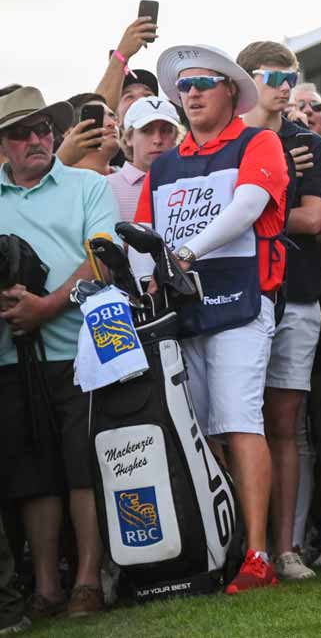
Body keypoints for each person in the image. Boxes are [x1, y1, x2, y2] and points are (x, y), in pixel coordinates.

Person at [135, 44, 289, 593]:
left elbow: (247, 207)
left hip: (240, 303)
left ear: (230, 91)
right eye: (185, 86)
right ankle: (217, 546)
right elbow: (142, 237)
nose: (192, 93)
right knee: (196, 430)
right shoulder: (164, 165)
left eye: (203, 83)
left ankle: (258, 554)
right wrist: (147, 280)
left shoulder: (258, 141)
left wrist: (182, 255)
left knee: (240, 421)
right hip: (182, 312)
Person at [0, 87, 116, 619]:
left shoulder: (88, 185)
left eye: (43, 128)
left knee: (82, 467)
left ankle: (87, 582)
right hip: (10, 356)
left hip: (82, 352)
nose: (36, 139)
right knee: (34, 475)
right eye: (20, 132)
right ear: (3, 144)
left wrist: (45, 307)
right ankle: (46, 588)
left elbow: (102, 259)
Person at [235, 40, 321, 581]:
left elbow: (315, 219)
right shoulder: (230, 140)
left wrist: (260, 200)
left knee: (285, 424)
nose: (284, 86)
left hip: (295, 295)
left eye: (290, 76)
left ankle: (286, 547)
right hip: (237, 297)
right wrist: (275, 191)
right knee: (233, 422)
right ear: (246, 78)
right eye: (272, 76)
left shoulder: (307, 143)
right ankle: (239, 547)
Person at [106, 96, 181, 222]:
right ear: (128, 137)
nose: (157, 140)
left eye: (166, 130)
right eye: (147, 131)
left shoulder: (190, 182)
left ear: (176, 137)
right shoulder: (104, 187)